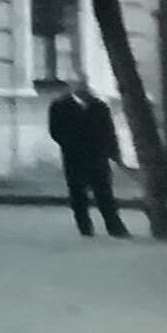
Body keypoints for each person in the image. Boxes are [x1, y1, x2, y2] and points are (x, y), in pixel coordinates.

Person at [49, 76, 131, 237]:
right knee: (78, 194)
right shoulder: (59, 107)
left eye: (84, 85)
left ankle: (115, 227)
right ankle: (85, 227)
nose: (83, 89)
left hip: (98, 157)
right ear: (71, 88)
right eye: (78, 86)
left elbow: (109, 132)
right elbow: (55, 131)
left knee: (105, 193)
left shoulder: (100, 106)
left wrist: (114, 153)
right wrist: (71, 145)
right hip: (74, 157)